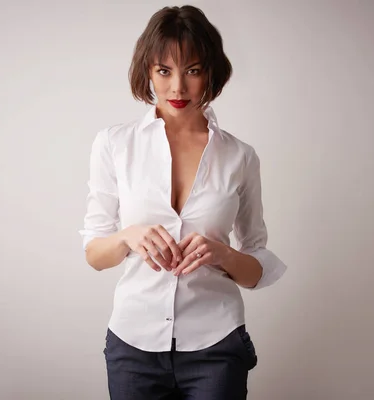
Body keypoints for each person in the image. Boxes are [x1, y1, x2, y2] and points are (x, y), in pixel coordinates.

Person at [79, 5, 287, 399]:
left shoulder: (240, 157)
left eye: (192, 70)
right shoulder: (114, 145)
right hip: (133, 344)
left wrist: (221, 253)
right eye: (164, 71)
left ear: (211, 72)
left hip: (216, 345)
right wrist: (129, 236)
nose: (177, 88)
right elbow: (94, 252)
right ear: (148, 71)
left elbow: (255, 266)